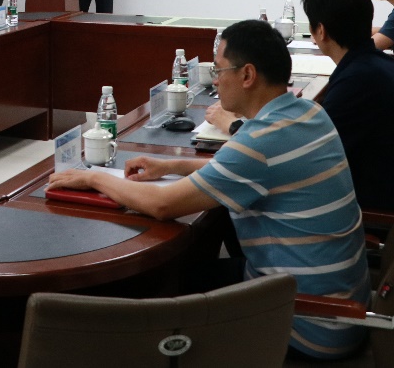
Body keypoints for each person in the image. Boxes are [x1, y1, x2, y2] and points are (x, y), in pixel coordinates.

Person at [48, 20, 369, 360]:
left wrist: (95, 178)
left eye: (219, 70)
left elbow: (163, 205)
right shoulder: (308, 112)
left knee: (159, 295)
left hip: (308, 325)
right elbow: (241, 171)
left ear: (247, 75)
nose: (215, 80)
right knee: (189, 272)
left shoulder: (259, 142)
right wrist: (171, 166)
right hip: (339, 304)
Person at [303, 0, 394, 212]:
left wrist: (240, 126)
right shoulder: (380, 63)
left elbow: (313, 155)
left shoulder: (357, 79)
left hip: (378, 206)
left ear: (320, 31)